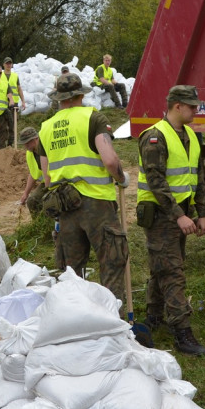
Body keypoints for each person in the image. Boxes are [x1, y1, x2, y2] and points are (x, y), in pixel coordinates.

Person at [39, 73, 128, 303]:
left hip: (65, 207)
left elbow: (47, 180)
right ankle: (113, 323)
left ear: (59, 98)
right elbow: (109, 160)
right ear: (80, 95)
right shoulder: (93, 118)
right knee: (111, 264)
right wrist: (121, 178)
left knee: (72, 274)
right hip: (97, 204)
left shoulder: (46, 128)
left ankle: (77, 325)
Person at [137, 85, 205, 356]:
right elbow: (156, 181)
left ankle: (154, 316)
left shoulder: (191, 135)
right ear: (176, 106)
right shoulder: (155, 137)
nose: (196, 110)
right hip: (160, 214)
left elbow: (198, 177)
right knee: (172, 271)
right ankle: (181, 332)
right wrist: (180, 216)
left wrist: (201, 212)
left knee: (163, 265)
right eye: (192, 106)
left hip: (179, 212)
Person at [17, 127, 46, 215]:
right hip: (46, 183)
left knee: (52, 202)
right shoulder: (30, 153)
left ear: (36, 139)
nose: (26, 146)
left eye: (27, 143)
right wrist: (25, 194)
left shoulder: (47, 147)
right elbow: (33, 174)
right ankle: (39, 224)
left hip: (58, 180)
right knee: (32, 201)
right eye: (24, 144)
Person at [3, 57, 25, 145]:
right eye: (7, 63)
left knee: (12, 124)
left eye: (10, 63)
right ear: (3, 64)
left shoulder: (15, 76)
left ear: (12, 65)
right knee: (3, 124)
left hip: (14, 104)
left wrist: (23, 101)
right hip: (3, 103)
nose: (8, 65)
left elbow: (19, 89)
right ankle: (2, 143)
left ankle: (11, 143)